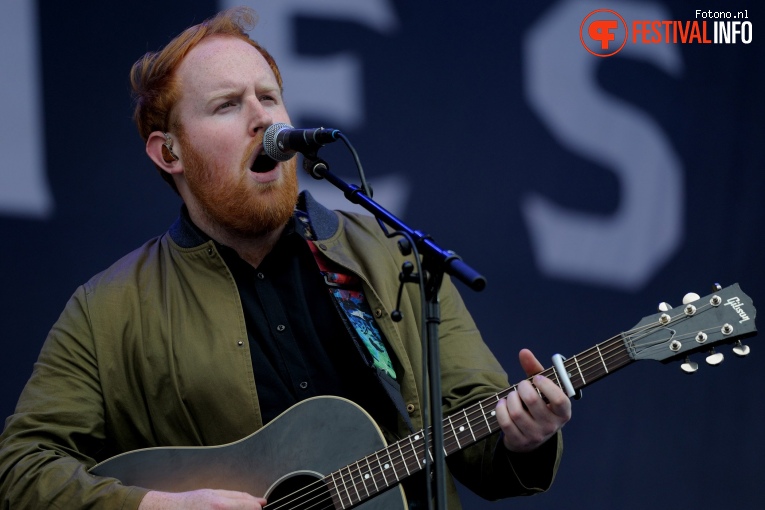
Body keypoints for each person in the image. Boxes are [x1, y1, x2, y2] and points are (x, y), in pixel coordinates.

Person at [0, 7, 571, 509]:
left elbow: (482, 442)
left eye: (268, 97)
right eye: (227, 105)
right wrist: (156, 507)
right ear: (168, 150)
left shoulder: (394, 258)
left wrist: (526, 435)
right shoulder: (108, 310)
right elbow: (22, 470)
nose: (263, 119)